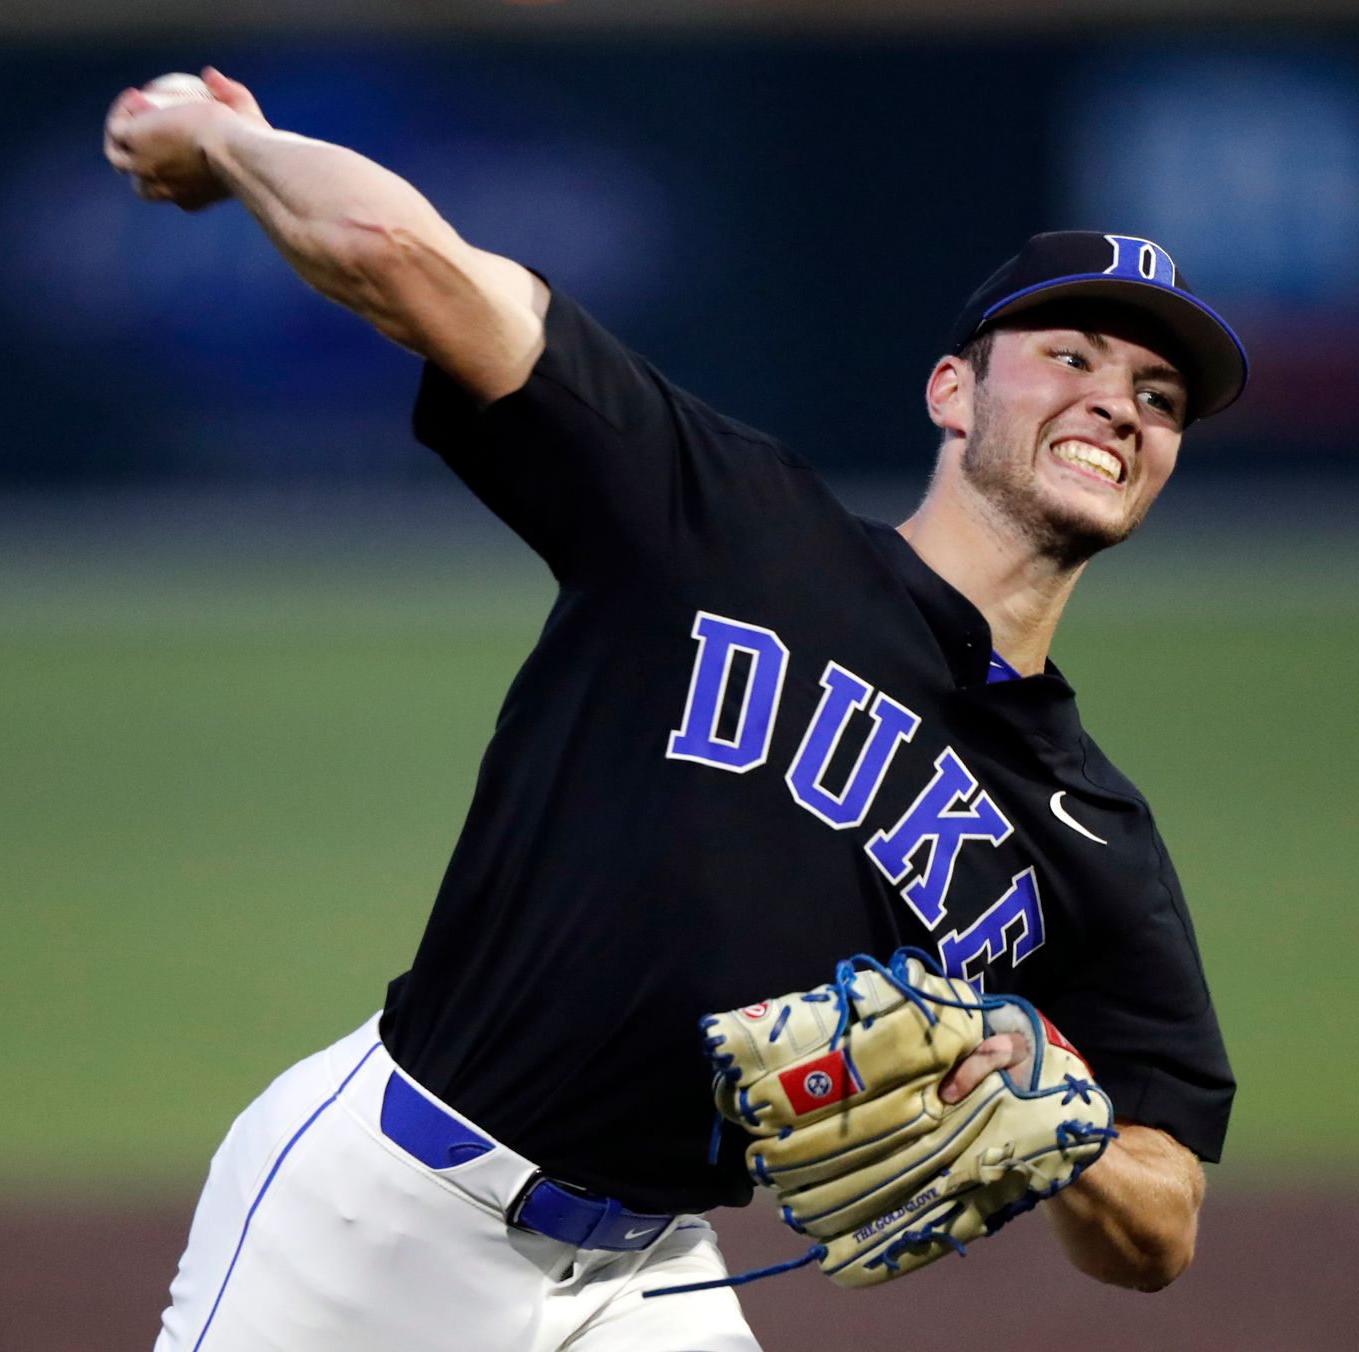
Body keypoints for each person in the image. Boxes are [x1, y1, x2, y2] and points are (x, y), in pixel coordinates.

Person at [105, 66, 1245, 1352]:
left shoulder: (1092, 832)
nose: (1118, 402)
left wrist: (1068, 1127)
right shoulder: (723, 523)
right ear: (952, 391)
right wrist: (225, 141)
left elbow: (1166, 1217)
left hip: (654, 1281)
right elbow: (399, 255)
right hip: (383, 1215)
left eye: (1160, 395)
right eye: (1071, 356)